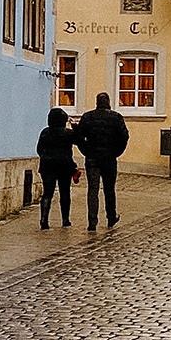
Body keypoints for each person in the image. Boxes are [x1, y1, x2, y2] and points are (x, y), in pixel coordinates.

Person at [73, 89, 130, 232]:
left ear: (97, 103)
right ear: (108, 103)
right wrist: (117, 152)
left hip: (92, 158)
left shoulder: (88, 117)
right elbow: (124, 137)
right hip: (109, 158)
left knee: (93, 190)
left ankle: (92, 221)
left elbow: (78, 137)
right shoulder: (116, 118)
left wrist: (85, 151)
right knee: (109, 189)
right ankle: (111, 216)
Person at [36, 106, 76, 230]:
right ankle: (65, 219)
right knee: (65, 193)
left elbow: (39, 149)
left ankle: (44, 219)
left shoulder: (45, 132)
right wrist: (75, 126)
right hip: (64, 166)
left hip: (47, 166)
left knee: (47, 193)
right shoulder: (68, 133)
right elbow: (79, 140)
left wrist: (45, 157)